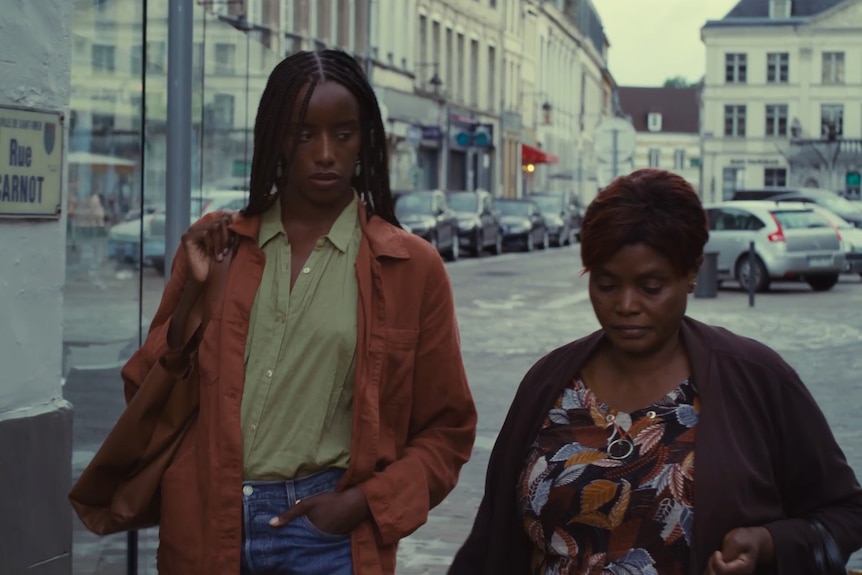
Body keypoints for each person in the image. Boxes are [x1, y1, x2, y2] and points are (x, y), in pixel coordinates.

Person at [121, 50, 477, 575]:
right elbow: (145, 397)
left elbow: (447, 431)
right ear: (275, 138)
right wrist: (192, 302)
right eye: (304, 134)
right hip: (205, 525)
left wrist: (362, 504)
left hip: (326, 537)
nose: (326, 154)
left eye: (345, 133)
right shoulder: (221, 248)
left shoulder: (410, 266)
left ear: (367, 140)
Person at [449, 168, 862, 575]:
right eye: (607, 285)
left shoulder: (754, 377)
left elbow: (847, 511)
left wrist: (769, 544)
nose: (626, 305)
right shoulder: (548, 383)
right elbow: (491, 539)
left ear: (691, 273)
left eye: (650, 287)